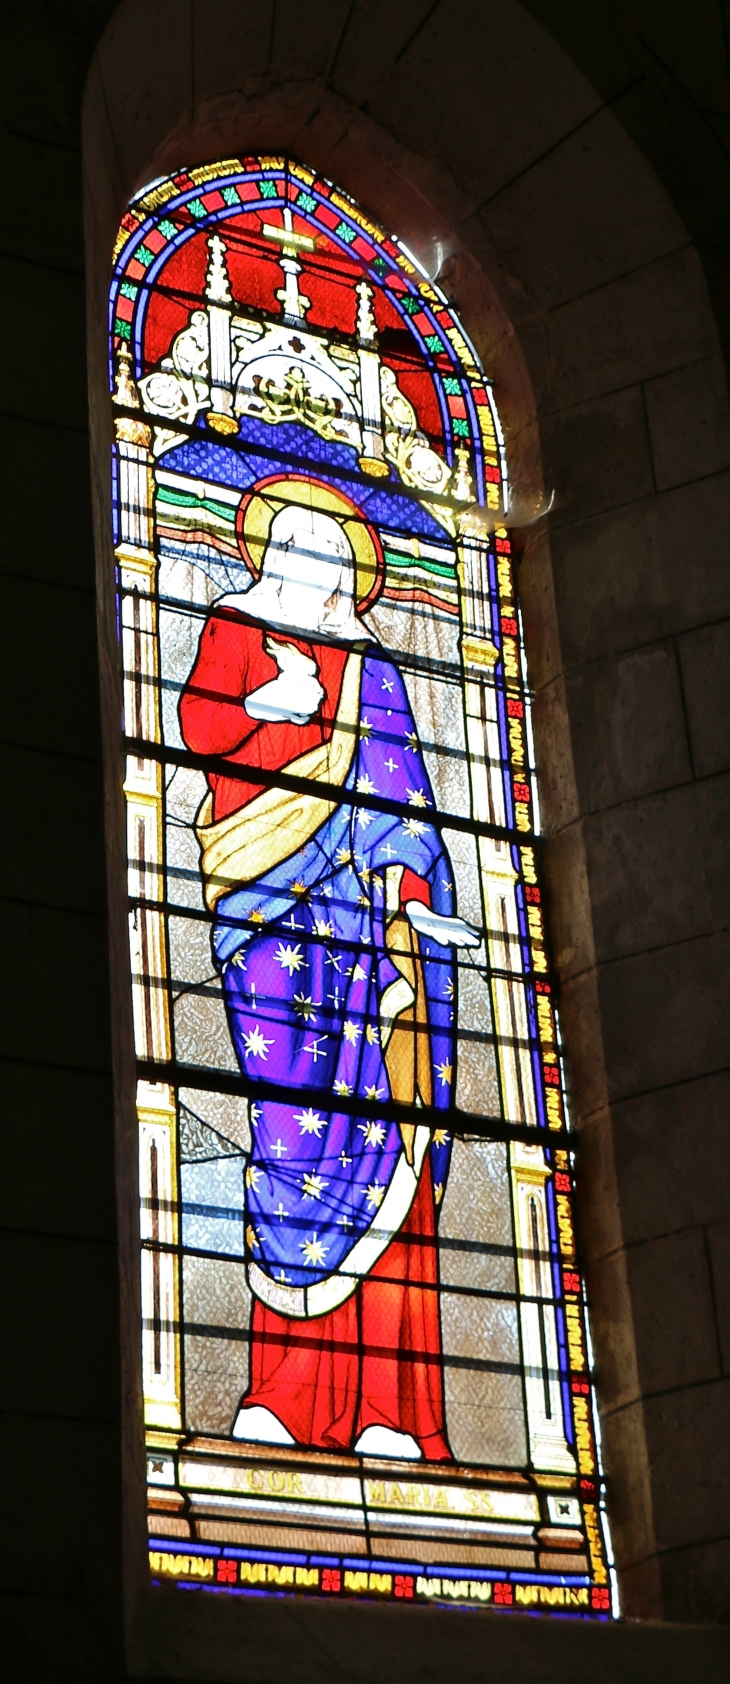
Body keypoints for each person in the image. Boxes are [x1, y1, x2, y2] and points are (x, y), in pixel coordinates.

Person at [179, 497, 478, 1461]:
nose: (309, 559)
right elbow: (194, 725)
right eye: (293, 541)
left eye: (327, 547)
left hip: (370, 938)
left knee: (384, 1137)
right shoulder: (234, 627)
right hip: (264, 922)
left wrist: (411, 896)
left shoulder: (373, 670)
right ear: (266, 549)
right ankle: (282, 1395)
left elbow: (402, 798)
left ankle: (389, 1412)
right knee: (289, 1140)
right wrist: (261, 709)